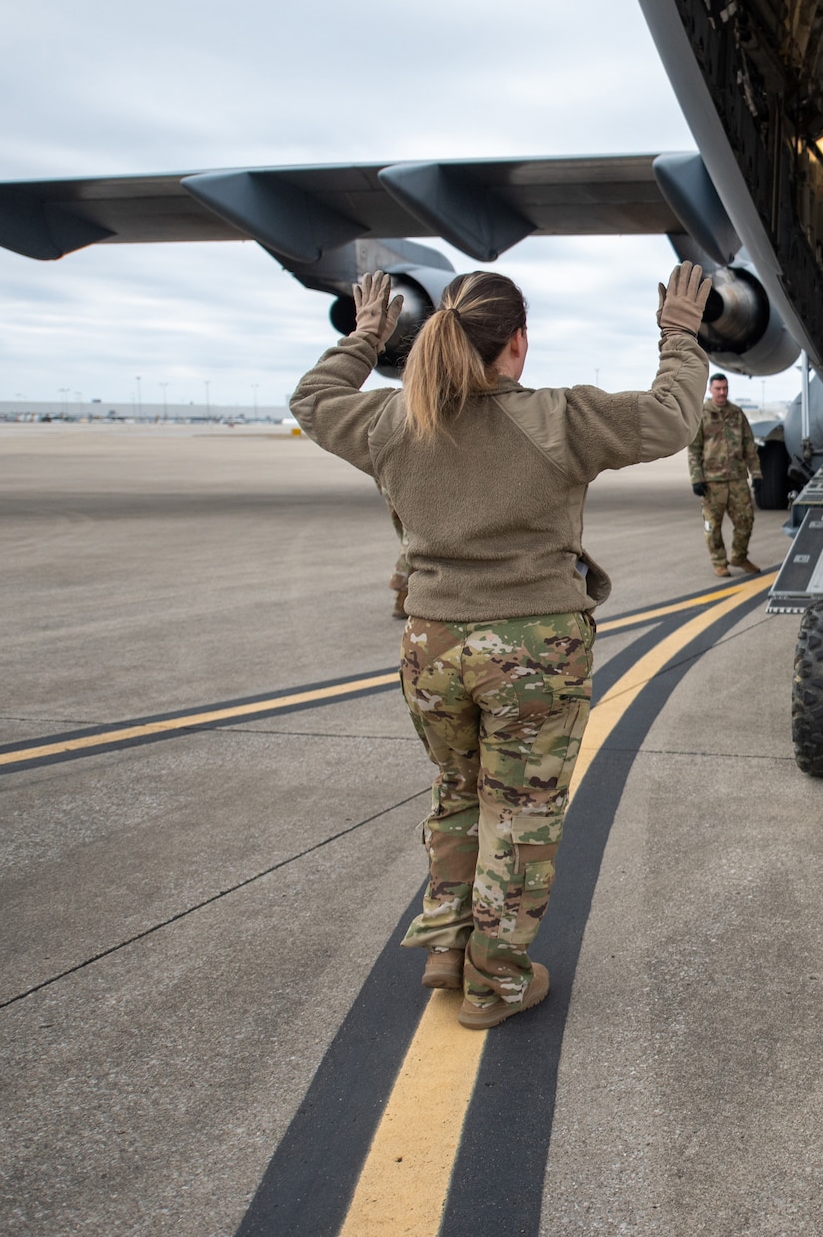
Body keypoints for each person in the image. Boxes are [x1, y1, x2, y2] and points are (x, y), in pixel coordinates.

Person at [291, 262, 710, 1028]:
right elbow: (674, 416)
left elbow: (312, 401)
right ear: (517, 342)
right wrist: (678, 335)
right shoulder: (560, 418)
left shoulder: (394, 422)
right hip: (532, 650)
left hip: (431, 645)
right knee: (523, 815)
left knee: (457, 790)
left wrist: (363, 338)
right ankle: (497, 984)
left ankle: (448, 945)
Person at [688, 372, 760, 577]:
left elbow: (749, 445)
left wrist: (757, 474)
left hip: (737, 478)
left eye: (725, 388)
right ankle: (719, 561)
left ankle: (739, 556)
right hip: (712, 481)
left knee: (746, 519)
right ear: (710, 389)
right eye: (718, 388)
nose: (722, 392)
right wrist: (697, 478)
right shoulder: (701, 414)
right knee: (713, 526)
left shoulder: (737, 413)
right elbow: (693, 449)